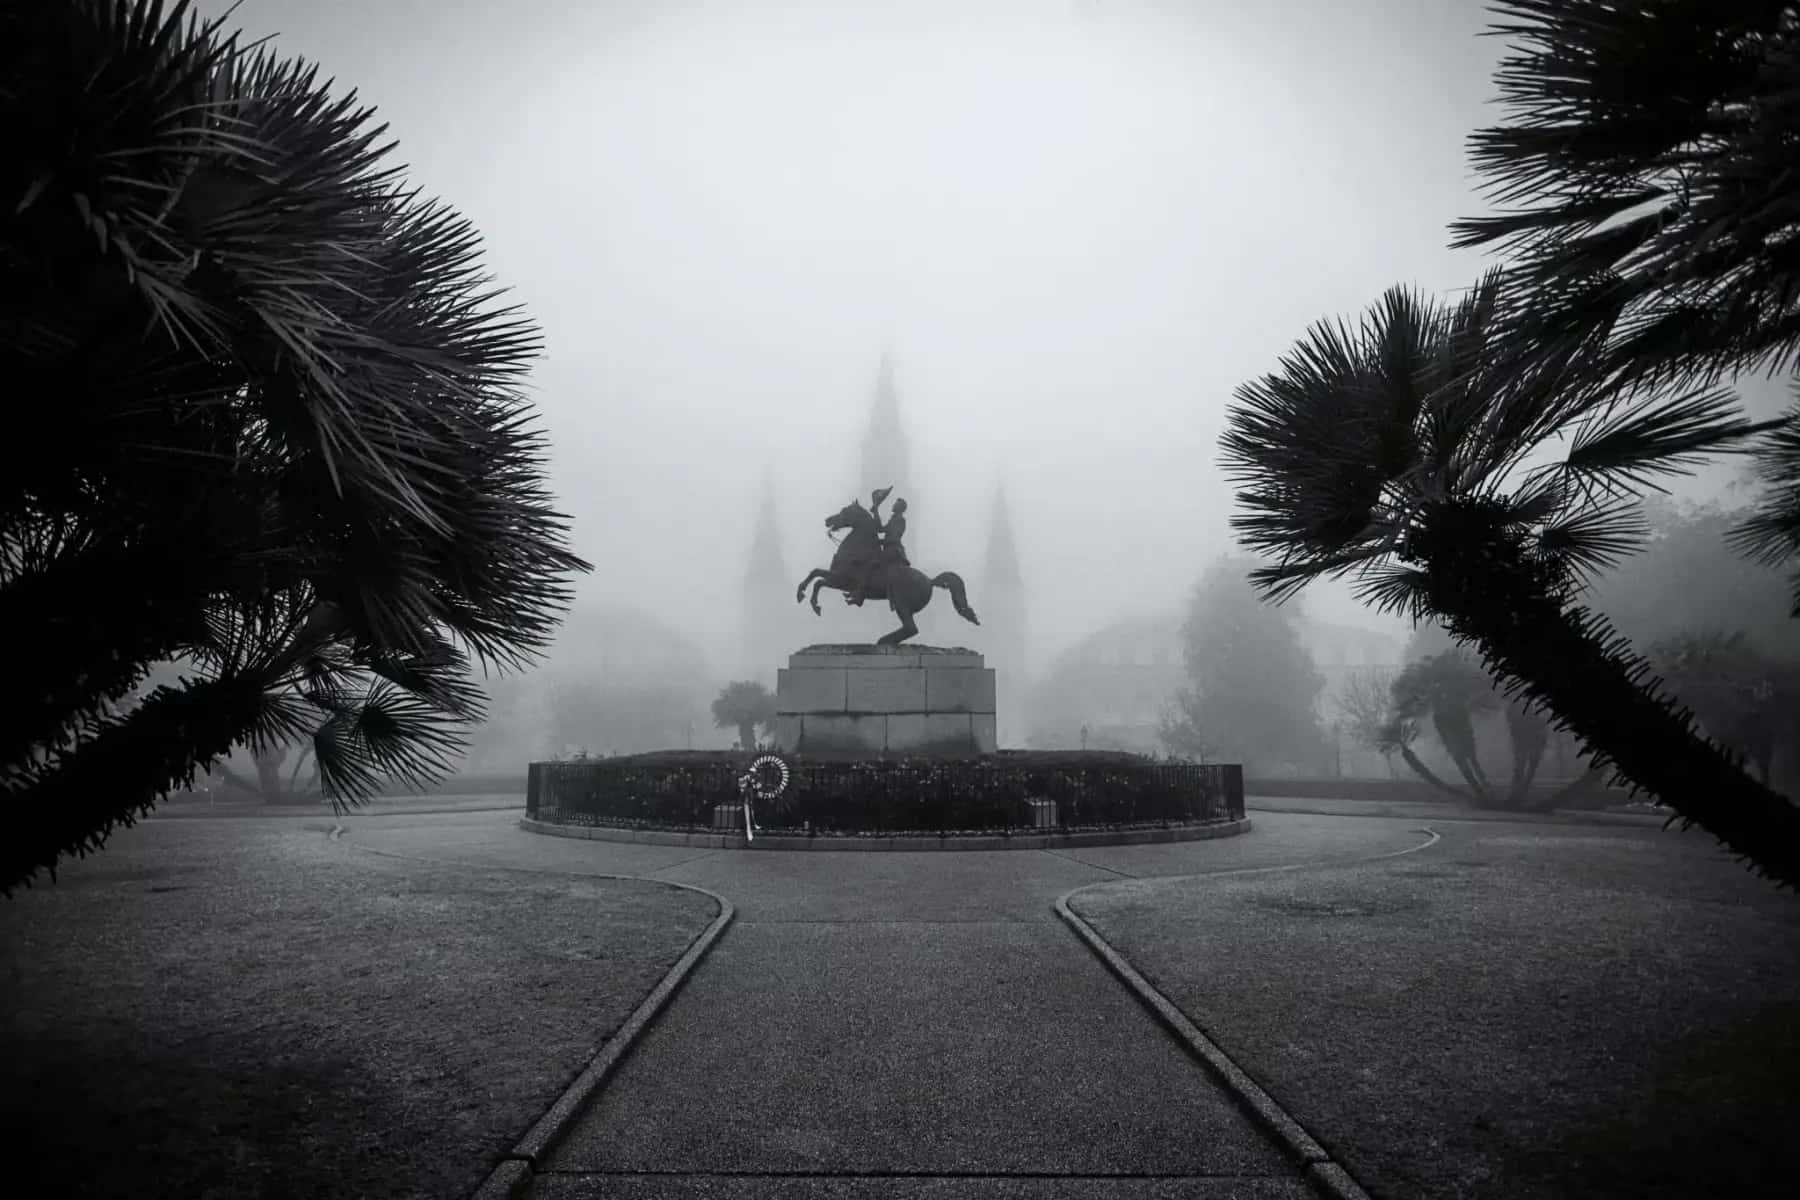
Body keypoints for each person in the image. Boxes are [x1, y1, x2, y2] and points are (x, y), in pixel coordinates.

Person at [847, 486, 908, 606]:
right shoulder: (895, 519)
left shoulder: (900, 520)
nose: (893, 505)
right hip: (890, 548)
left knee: (869, 563)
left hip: (894, 550)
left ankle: (860, 596)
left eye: (895, 504)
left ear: (900, 507)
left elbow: (894, 538)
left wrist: (880, 542)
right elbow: (880, 529)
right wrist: (876, 511)